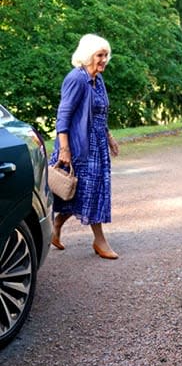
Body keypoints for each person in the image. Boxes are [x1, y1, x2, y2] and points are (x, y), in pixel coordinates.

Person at [50, 34, 120, 260]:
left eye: (106, 55)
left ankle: (56, 225)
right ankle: (100, 241)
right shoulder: (76, 78)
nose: (104, 60)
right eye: (100, 55)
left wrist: (109, 138)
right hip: (78, 146)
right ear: (88, 55)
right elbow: (63, 114)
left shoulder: (97, 80)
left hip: (97, 145)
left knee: (82, 193)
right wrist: (64, 149)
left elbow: (100, 113)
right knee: (90, 193)